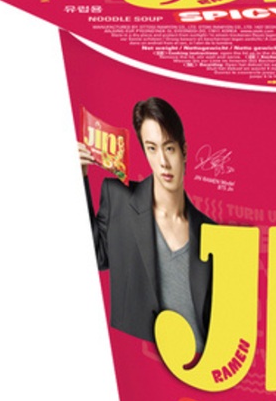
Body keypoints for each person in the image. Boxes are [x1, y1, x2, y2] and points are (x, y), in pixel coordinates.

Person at [79, 97, 213, 345]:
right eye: (152, 148)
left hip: (200, 363)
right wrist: (79, 179)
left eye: (169, 148)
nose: (163, 162)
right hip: (142, 359)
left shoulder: (210, 230)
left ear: (184, 151)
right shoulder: (119, 198)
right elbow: (96, 257)